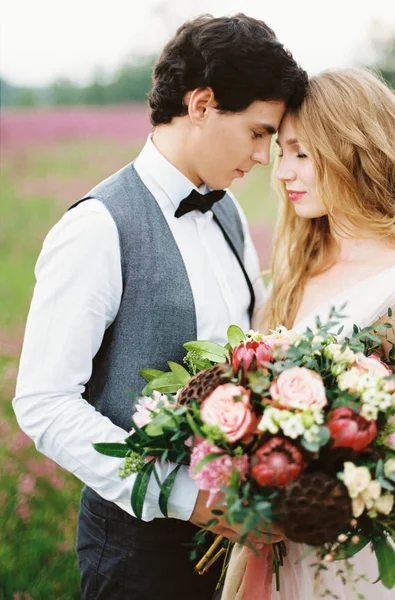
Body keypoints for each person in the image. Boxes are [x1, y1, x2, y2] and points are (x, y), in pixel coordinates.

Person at [12, 13, 308, 600]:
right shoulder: (97, 228)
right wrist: (187, 497)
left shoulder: (226, 211)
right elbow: (43, 404)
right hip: (134, 549)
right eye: (257, 132)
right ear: (200, 104)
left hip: (233, 539)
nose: (265, 156)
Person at [223, 67, 395, 599]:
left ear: (353, 152)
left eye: (302, 153)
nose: (283, 172)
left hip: (360, 562)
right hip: (280, 544)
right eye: (283, 152)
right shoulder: (297, 266)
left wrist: (349, 496)